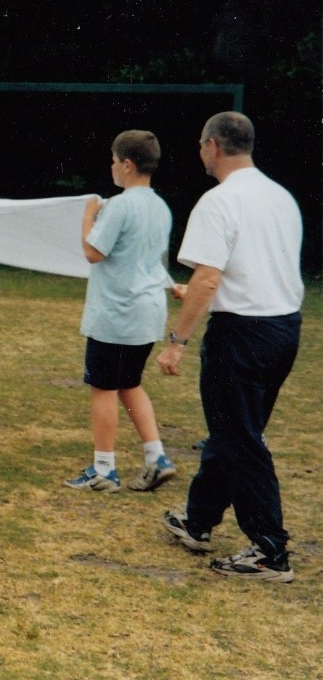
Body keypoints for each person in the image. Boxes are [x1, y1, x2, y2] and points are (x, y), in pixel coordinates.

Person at [158, 112, 303, 583]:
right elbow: (251, 270)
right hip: (283, 328)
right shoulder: (280, 197)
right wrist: (203, 295)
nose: (201, 152)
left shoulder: (218, 201)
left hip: (241, 335)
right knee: (234, 429)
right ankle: (198, 521)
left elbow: (208, 277)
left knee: (240, 437)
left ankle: (269, 550)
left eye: (202, 144)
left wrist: (176, 342)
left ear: (214, 146)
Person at [64, 130, 177, 493]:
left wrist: (88, 217)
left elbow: (93, 252)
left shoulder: (121, 205)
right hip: (147, 313)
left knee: (103, 388)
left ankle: (104, 470)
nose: (111, 167)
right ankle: (157, 458)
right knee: (129, 383)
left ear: (127, 164)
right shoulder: (160, 207)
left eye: (113, 161)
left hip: (117, 313)